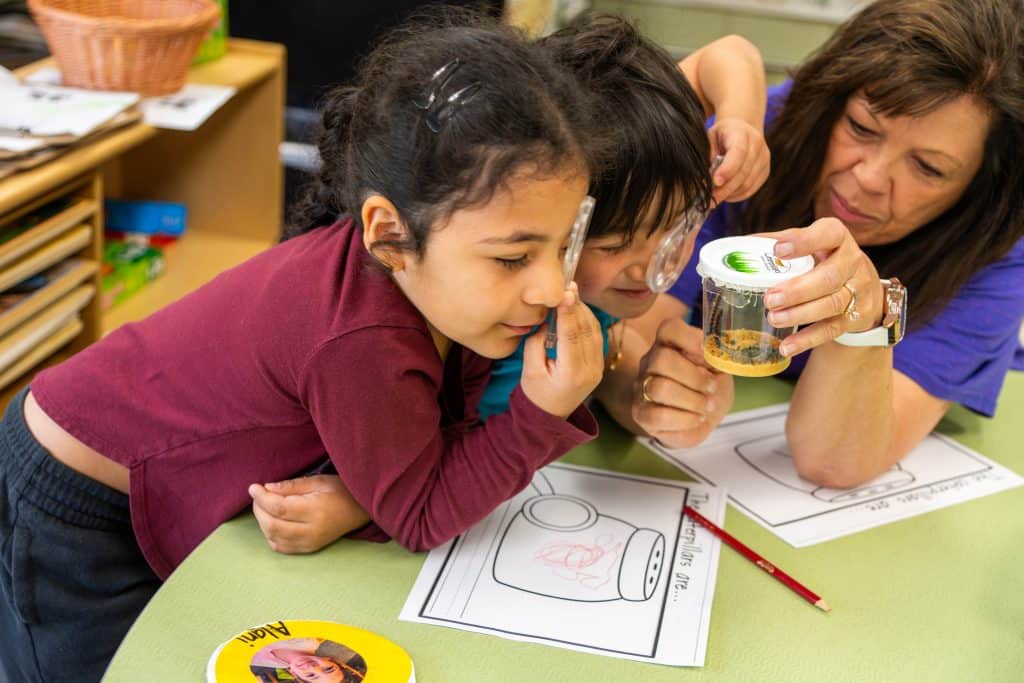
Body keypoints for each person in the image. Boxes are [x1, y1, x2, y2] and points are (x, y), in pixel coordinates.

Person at [0, 10, 609, 682]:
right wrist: (538, 412)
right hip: (75, 504)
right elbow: (422, 512)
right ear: (389, 231)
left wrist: (356, 501)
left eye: (563, 245)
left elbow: (427, 453)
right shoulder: (363, 335)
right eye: (514, 257)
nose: (553, 286)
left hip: (137, 476)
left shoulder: (429, 286)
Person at [248, 14, 771, 554]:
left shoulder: (627, 154)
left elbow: (728, 52)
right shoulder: (480, 313)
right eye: (614, 246)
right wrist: (365, 505)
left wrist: (741, 125)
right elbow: (431, 468)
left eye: (678, 228)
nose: (651, 269)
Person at [635, 0, 1024, 488]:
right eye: (861, 128)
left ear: (982, 189)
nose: (868, 178)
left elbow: (833, 462)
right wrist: (655, 389)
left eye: (927, 168)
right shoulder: (769, 131)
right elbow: (637, 328)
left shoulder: (996, 259)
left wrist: (863, 319)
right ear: (829, 102)